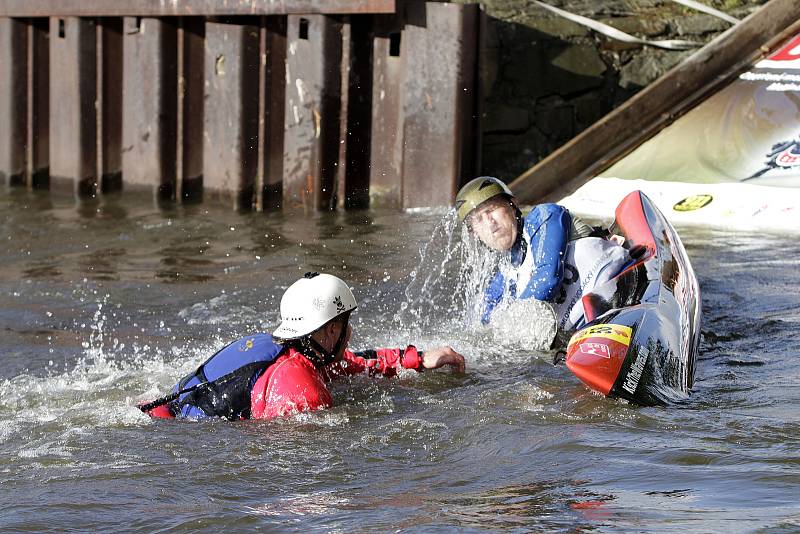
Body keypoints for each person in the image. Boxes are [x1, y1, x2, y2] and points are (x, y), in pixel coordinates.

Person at [140, 272, 465, 421]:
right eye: (345, 324)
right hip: (178, 433)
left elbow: (354, 363)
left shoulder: (282, 348)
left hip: (162, 408)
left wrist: (418, 359)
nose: (349, 334)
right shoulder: (302, 388)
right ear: (328, 331)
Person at [454, 176, 631, 339]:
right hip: (589, 329)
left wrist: (510, 324)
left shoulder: (543, 217)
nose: (490, 222)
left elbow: (547, 279)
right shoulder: (508, 269)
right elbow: (483, 319)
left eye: (492, 209)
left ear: (512, 204)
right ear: (475, 233)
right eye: (479, 219)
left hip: (624, 292)